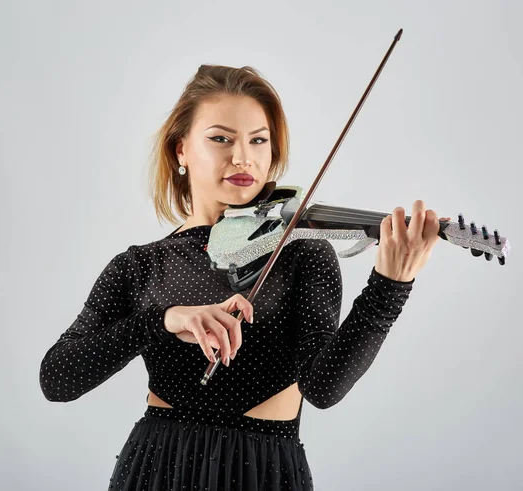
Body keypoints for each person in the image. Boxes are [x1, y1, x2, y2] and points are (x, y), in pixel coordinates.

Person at [39, 64, 447, 490]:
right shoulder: (141, 266)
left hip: (263, 469)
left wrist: (389, 287)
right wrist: (163, 321)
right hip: (157, 466)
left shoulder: (302, 251)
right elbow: (57, 379)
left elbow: (324, 388)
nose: (242, 157)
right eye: (221, 139)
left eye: (258, 140)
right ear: (180, 151)